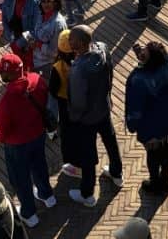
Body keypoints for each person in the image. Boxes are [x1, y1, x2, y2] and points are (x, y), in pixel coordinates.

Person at [0, 51, 56, 227]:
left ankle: (29, 214)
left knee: (20, 179)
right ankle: (47, 195)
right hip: (38, 134)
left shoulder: (7, 99)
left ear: (11, 73)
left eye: (1, 72)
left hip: (17, 145)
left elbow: (3, 129)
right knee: (39, 165)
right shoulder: (37, 79)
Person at [67, 24, 123, 207]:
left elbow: (78, 100)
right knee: (110, 140)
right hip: (103, 108)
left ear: (81, 44)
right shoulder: (103, 49)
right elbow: (111, 74)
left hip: (87, 118)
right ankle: (116, 173)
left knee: (88, 155)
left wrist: (75, 117)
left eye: (72, 40)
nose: (69, 42)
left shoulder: (78, 69)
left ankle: (87, 194)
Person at [125, 41, 168, 195]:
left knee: (153, 154)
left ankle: (155, 183)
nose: (142, 50)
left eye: (145, 51)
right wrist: (146, 58)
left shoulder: (139, 80)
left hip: (150, 124)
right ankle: (165, 179)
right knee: (166, 145)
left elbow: (135, 108)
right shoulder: (165, 63)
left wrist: (132, 125)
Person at [48, 30, 79, 179]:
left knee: (66, 134)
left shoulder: (58, 67)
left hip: (64, 102)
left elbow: (53, 91)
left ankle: (70, 163)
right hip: (80, 102)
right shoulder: (82, 60)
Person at [1, 0, 40, 70]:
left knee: (31, 65)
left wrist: (20, 43)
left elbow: (36, 28)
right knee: (20, 64)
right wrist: (10, 36)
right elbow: (4, 19)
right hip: (14, 38)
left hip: (29, 40)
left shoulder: (34, 2)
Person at [30, 0, 67, 84]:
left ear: (55, 2)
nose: (45, 4)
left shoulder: (58, 24)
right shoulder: (40, 15)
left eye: (49, 1)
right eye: (43, 1)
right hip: (35, 59)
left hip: (47, 64)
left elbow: (55, 52)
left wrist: (38, 44)